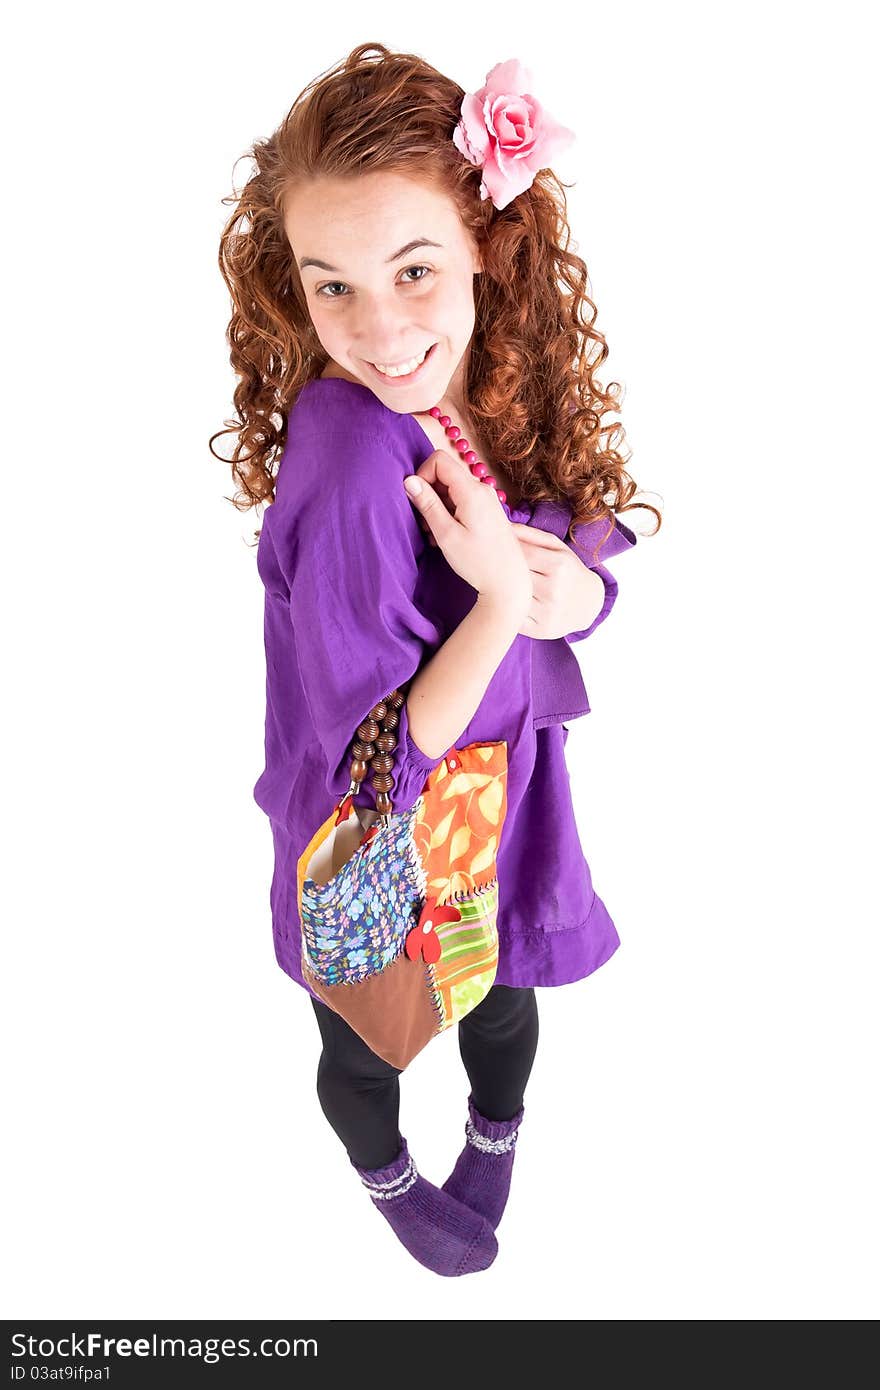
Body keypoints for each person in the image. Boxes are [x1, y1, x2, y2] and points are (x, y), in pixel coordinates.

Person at [213, 43, 658, 1278]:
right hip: (378, 824)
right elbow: (375, 755)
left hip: (499, 790)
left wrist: (572, 598)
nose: (380, 327)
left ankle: (494, 1132)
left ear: (484, 246)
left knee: (504, 988)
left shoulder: (489, 381)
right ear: (290, 290)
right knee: (365, 1038)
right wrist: (504, 602)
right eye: (332, 287)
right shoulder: (351, 458)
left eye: (413, 269)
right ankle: (392, 1177)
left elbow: (571, 541)